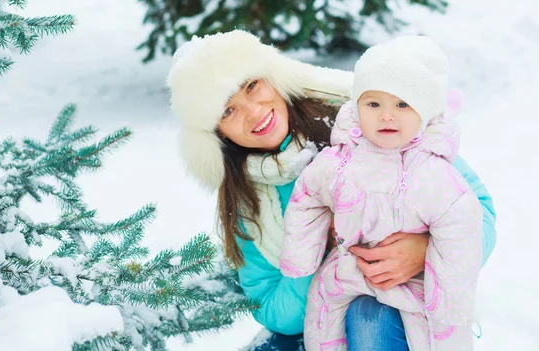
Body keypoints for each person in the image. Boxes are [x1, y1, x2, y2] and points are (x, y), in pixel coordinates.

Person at [167, 30, 497, 350]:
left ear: (274, 76)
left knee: (370, 318)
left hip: (411, 299)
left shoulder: (367, 118)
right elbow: (268, 306)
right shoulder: (247, 199)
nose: (253, 112)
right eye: (228, 110)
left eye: (252, 86)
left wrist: (423, 251)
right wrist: (318, 250)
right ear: (217, 133)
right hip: (323, 313)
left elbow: (478, 211)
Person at [280, 36, 482, 351]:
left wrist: (449, 300)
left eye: (402, 104)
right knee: (323, 331)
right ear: (357, 107)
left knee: (436, 337)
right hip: (345, 273)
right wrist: (300, 255)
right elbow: (307, 195)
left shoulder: (435, 175)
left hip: (416, 284)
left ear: (424, 111)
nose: (387, 116)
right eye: (373, 104)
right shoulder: (338, 161)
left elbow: (462, 228)